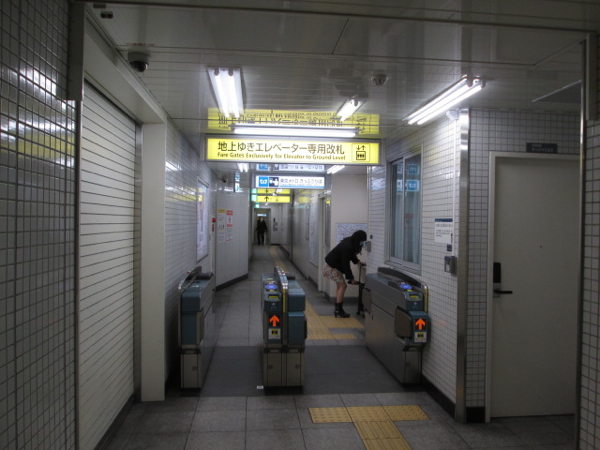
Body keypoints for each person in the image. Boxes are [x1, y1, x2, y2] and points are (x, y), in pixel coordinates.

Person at [322, 230, 367, 318]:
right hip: (331, 268)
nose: (362, 243)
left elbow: (351, 255)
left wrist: (357, 261)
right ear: (359, 239)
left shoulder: (350, 241)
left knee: (340, 286)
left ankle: (338, 308)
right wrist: (351, 278)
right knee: (343, 286)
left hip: (331, 267)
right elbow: (345, 264)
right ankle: (338, 309)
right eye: (362, 241)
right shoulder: (348, 246)